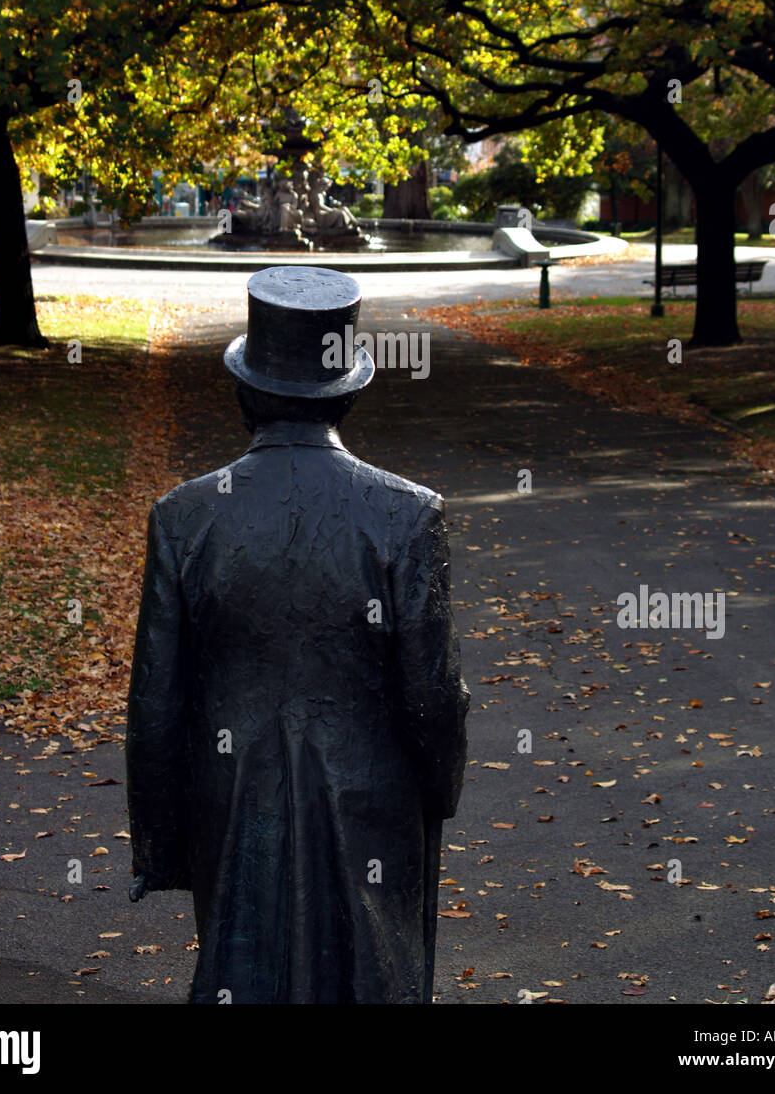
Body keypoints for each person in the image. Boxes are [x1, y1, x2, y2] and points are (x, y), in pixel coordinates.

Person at [126, 266, 468, 1004]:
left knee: (245, 976)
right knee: (371, 977)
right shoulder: (406, 514)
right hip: (371, 795)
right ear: (348, 391)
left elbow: (156, 704)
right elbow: (433, 696)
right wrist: (434, 795)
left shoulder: (185, 517)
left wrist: (163, 845)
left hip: (233, 791)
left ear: (245, 392)